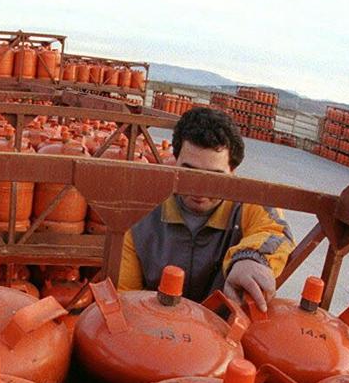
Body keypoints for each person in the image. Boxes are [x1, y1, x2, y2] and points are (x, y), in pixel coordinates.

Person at [117, 107, 293, 310]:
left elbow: (276, 231)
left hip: (223, 331)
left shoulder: (250, 203)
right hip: (154, 324)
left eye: (214, 177)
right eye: (189, 172)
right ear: (175, 161)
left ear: (232, 172)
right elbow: (125, 297)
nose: (199, 191)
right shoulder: (142, 211)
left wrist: (252, 258)